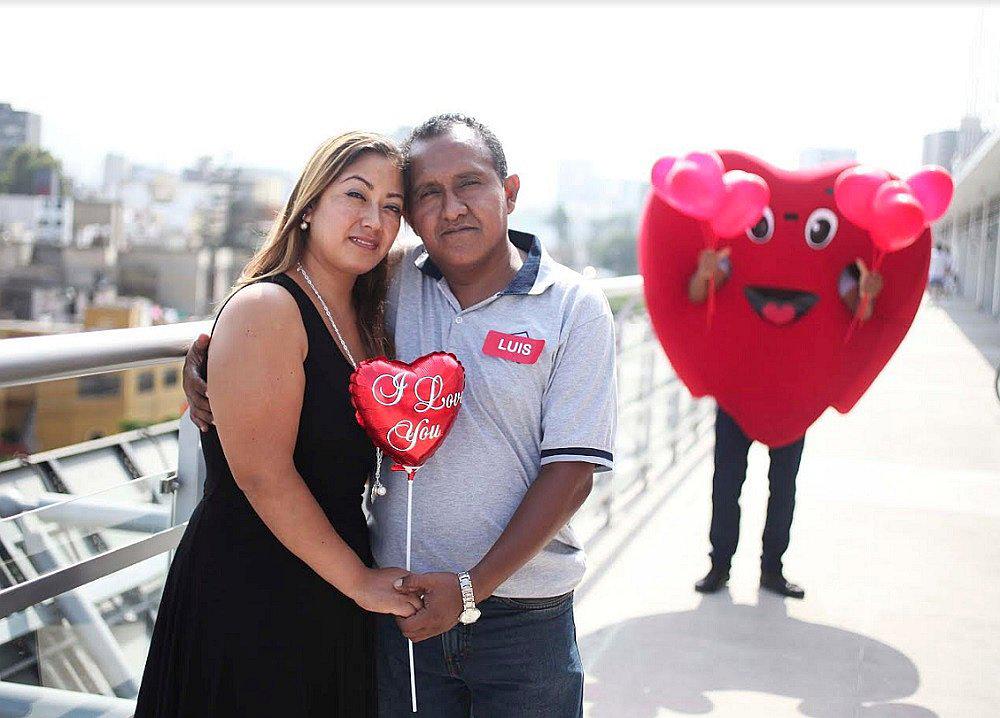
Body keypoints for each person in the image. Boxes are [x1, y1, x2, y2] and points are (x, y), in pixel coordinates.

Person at [184, 114, 618, 717]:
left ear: (509, 192)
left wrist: (468, 590)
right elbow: (290, 312)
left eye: (469, 184)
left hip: (523, 618)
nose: (452, 209)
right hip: (398, 608)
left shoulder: (575, 307)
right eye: (426, 196)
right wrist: (211, 352)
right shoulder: (391, 284)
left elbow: (572, 472)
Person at [136, 132, 422, 718]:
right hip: (252, 588)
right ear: (309, 205)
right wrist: (362, 585)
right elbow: (264, 475)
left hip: (329, 580)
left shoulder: (369, 314)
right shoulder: (268, 308)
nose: (374, 219)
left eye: (392, 206)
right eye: (355, 195)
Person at [689, 246, 883, 600]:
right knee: (727, 481)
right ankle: (720, 564)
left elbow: (860, 312)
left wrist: (867, 293)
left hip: (793, 395)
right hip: (738, 389)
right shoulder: (738, 250)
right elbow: (698, 294)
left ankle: (772, 569)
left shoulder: (826, 258)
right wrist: (705, 272)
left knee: (782, 486)